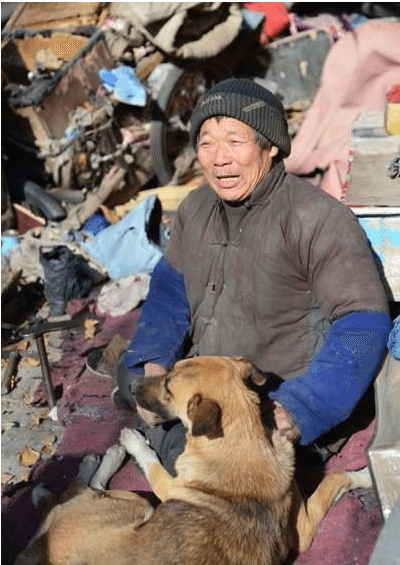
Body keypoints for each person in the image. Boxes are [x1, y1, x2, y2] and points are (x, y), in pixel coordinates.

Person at [113, 78, 392, 474]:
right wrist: (155, 365)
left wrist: (303, 406)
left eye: (234, 141)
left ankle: (167, 439)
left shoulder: (317, 219)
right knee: (134, 368)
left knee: (222, 474)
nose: (218, 158)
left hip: (271, 401)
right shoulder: (196, 207)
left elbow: (364, 322)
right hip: (206, 387)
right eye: (206, 142)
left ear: (270, 145)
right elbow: (169, 289)